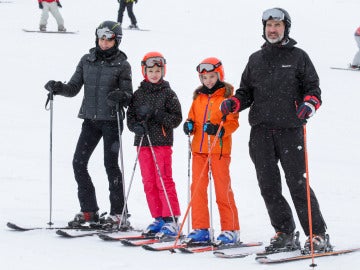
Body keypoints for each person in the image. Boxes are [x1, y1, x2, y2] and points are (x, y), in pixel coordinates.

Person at [220, 8, 330, 252]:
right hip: (260, 131)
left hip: (290, 129)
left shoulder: (299, 57)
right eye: (269, 25)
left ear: (285, 28)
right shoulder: (255, 59)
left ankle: (317, 234)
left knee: (297, 183)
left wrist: (309, 104)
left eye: (278, 25)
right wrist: (235, 103)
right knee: (268, 185)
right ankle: (285, 232)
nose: (273, 29)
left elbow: (314, 89)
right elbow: (245, 91)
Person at [44, 21, 133, 229]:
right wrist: (58, 88)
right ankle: (89, 211)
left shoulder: (122, 64)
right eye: (101, 38)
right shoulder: (87, 60)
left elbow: (128, 96)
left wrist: (121, 96)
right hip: (90, 120)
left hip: (112, 121)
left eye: (108, 39)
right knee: (78, 163)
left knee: (110, 166)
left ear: (116, 41)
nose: (104, 42)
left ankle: (119, 214)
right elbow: (73, 88)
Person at [182, 57, 240, 244]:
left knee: (222, 190)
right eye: (204, 77)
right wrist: (189, 125)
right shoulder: (198, 98)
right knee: (197, 190)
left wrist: (219, 130)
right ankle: (201, 228)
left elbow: (233, 123)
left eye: (212, 77)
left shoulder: (227, 99)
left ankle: (231, 229)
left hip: (219, 151)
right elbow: (192, 117)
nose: (208, 81)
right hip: (199, 150)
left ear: (219, 75)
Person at [126, 52, 182, 237]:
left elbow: (176, 119)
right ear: (144, 71)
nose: (154, 74)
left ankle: (171, 218)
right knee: (149, 181)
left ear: (163, 71)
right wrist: (136, 127)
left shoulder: (168, 93)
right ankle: (158, 217)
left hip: (161, 142)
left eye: (158, 70)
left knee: (163, 180)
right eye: (150, 70)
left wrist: (158, 114)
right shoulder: (138, 94)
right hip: (143, 143)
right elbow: (130, 117)